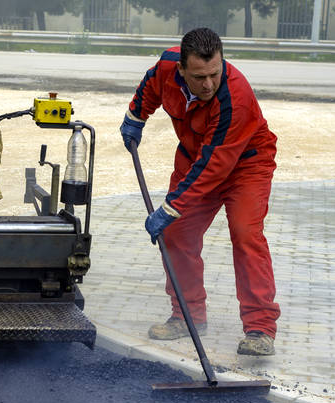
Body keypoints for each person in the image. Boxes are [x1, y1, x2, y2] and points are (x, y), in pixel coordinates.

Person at [120, 27, 280, 356]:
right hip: (197, 157)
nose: (208, 84)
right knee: (177, 234)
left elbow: (214, 167)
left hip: (245, 166)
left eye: (214, 74)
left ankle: (260, 328)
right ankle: (187, 316)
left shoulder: (236, 97)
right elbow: (151, 86)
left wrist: (169, 208)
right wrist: (136, 116)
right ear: (181, 68)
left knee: (245, 235)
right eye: (199, 76)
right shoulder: (167, 66)